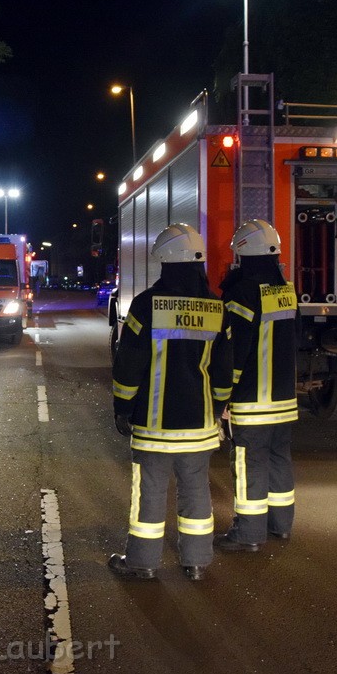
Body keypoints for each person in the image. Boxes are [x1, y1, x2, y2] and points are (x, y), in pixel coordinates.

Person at [108, 224, 232, 582]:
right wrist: (218, 407)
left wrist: (122, 407)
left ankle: (142, 562)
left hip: (154, 426)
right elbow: (223, 372)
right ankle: (196, 563)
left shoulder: (146, 305)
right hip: (200, 425)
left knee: (149, 494)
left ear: (163, 261)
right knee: (196, 493)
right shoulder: (216, 307)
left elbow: (129, 363)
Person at [216, 219, 298, 553]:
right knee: (279, 460)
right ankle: (281, 526)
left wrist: (225, 395)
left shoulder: (242, 292)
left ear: (243, 252)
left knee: (249, 464)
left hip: (252, 402)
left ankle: (248, 533)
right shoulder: (285, 290)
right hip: (284, 401)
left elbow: (235, 353)